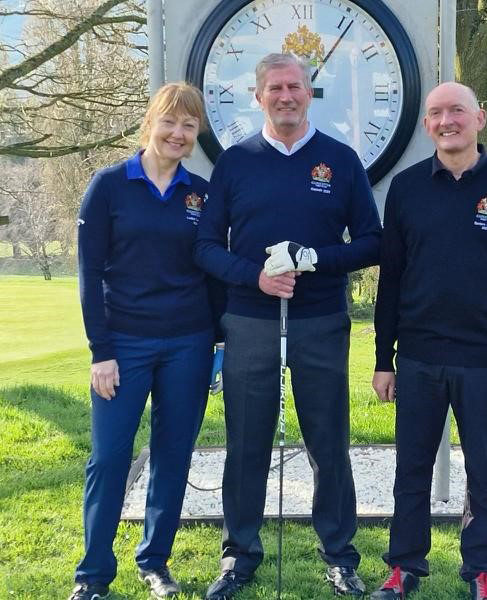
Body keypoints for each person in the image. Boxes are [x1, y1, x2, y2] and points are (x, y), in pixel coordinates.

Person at [194, 53, 380, 599]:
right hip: (249, 321)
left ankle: (340, 556)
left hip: (320, 320)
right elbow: (206, 246)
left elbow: (372, 241)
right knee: (247, 442)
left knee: (328, 441)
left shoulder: (340, 160)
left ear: (309, 92)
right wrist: (256, 277)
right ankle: (239, 555)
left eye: (295, 86)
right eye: (274, 88)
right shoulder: (235, 162)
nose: (285, 96)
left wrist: (313, 260)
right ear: (258, 97)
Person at [370, 82, 487, 600]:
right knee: (411, 467)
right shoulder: (405, 188)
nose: (448, 121)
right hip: (420, 356)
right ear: (427, 125)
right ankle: (403, 569)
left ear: (480, 118)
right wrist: (384, 359)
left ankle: (482, 572)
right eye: (437, 113)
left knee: (485, 470)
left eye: (458, 111)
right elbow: (392, 279)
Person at [71, 82, 224, 600]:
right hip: (124, 344)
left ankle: (155, 561)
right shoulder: (109, 186)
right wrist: (101, 352)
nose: (178, 134)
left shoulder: (201, 195)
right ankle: (92, 574)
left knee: (173, 455)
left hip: (189, 343)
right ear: (150, 122)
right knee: (110, 458)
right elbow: (90, 275)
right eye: (170, 122)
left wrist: (218, 344)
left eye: (188, 125)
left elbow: (213, 274)